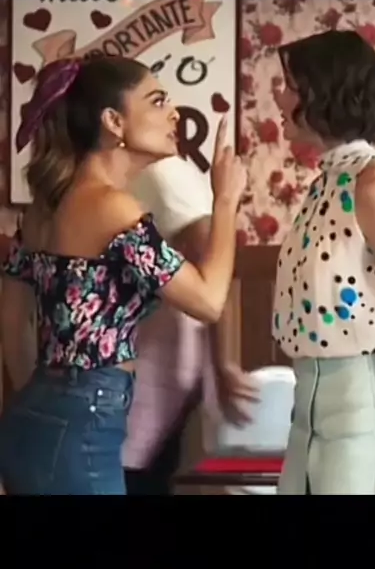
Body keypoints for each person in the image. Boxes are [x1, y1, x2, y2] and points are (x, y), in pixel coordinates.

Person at [0, 55, 246, 495]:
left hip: (35, 418)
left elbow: (13, 319)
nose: (174, 113)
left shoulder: (46, 208)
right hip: (85, 424)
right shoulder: (112, 208)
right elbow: (209, 301)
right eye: (157, 101)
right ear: (113, 121)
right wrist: (225, 201)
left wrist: (49, 400)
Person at [272, 30, 375, 495]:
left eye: (289, 86)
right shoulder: (326, 184)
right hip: (305, 418)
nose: (278, 97)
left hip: (361, 421)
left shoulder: (373, 185)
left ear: (322, 94)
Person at [123, 155, 256, 495]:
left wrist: (224, 364)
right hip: (143, 395)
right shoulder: (140, 180)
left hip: (162, 393)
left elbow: (214, 282)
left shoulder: (169, 175)